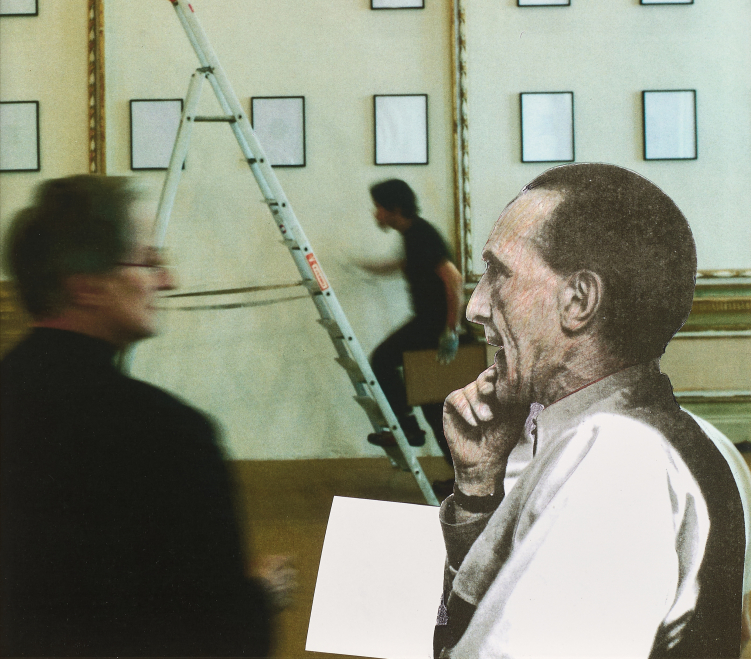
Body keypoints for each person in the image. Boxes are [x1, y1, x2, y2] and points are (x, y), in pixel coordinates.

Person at [435, 163, 745, 659]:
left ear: (578, 301)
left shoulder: (617, 458)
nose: (475, 306)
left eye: (498, 273)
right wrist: (477, 484)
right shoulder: (661, 435)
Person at [1, 175, 292, 658]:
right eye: (147, 260)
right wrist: (258, 596)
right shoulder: (169, 436)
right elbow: (221, 642)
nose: (168, 280)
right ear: (86, 286)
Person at [363, 179, 463, 457]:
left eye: (379, 208)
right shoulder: (411, 235)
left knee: (382, 360)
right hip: (428, 321)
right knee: (432, 402)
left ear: (395, 209)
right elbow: (411, 264)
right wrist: (371, 268)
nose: (376, 214)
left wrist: (451, 330)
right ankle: (459, 475)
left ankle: (408, 428)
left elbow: (454, 279)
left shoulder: (421, 234)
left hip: (433, 324)